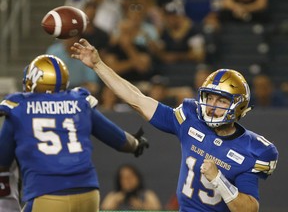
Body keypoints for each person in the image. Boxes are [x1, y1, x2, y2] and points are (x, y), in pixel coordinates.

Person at [71, 39, 279, 212]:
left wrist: (219, 180)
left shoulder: (252, 150)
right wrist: (98, 64)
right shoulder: (190, 120)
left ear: (238, 106)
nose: (212, 106)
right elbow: (137, 99)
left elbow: (249, 209)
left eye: (221, 101)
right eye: (209, 98)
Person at [0, 54, 149, 212]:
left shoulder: (19, 108)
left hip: (47, 192)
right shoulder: (79, 102)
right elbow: (117, 139)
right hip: (88, 192)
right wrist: (136, 144)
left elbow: (3, 159)